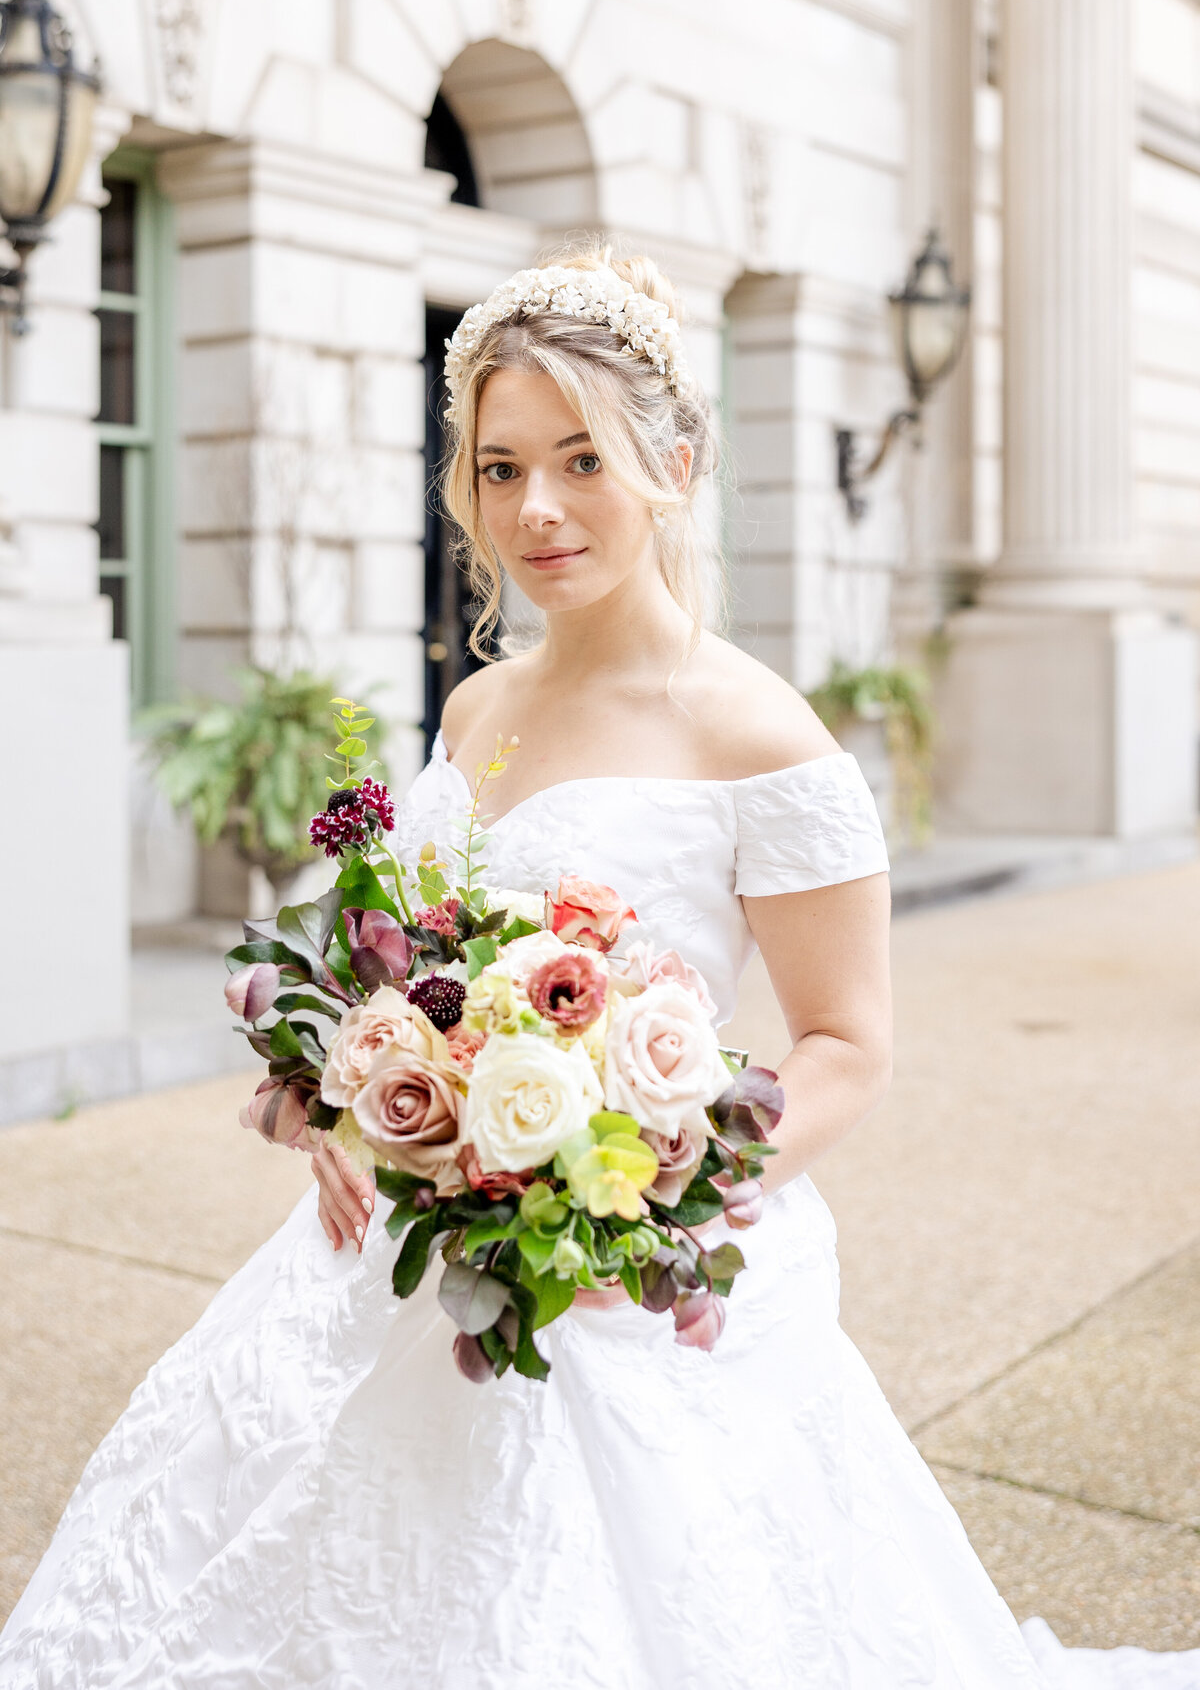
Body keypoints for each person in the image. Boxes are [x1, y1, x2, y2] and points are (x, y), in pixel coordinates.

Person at [0, 250, 1194, 1689]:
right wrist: (344, 1094)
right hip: (389, 1256)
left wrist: (655, 1207)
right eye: (500, 469)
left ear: (674, 464)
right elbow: (404, 959)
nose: (538, 509)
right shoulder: (479, 706)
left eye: (582, 460)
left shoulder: (762, 737)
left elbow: (846, 1043)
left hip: (623, 1280)